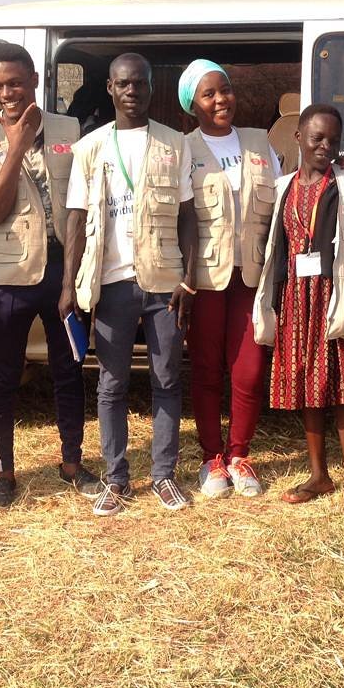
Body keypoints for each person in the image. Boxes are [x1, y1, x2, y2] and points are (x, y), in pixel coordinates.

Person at [60, 53, 198, 516]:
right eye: (123, 84)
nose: (132, 91)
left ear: (150, 88)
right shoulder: (90, 147)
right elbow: (76, 219)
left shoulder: (174, 144)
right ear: (111, 90)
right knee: (112, 384)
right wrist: (69, 286)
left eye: (140, 83)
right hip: (112, 282)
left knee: (166, 379)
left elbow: (187, 218)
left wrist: (188, 279)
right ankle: (116, 479)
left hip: (163, 281)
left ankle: (163, 476)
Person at [0, 43, 99, 507]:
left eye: (14, 83)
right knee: (4, 376)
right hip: (7, 277)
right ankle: (4, 473)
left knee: (69, 369)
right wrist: (17, 146)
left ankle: (73, 464)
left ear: (35, 80)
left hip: (61, 273)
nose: (6, 93)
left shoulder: (69, 129)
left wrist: (74, 278)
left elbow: (79, 204)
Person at [253, 104, 344, 522]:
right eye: (317, 139)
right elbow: (281, 247)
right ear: (299, 138)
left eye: (333, 140)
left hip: (335, 295)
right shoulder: (284, 185)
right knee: (308, 387)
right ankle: (318, 475)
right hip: (295, 298)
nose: (325, 146)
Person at [177, 59, 283, 499]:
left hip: (253, 275)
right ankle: (211, 458)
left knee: (250, 369)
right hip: (204, 278)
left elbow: (286, 193)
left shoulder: (260, 141)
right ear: (192, 105)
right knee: (205, 369)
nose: (221, 100)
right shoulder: (183, 149)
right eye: (208, 94)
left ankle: (239, 454)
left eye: (225, 90)